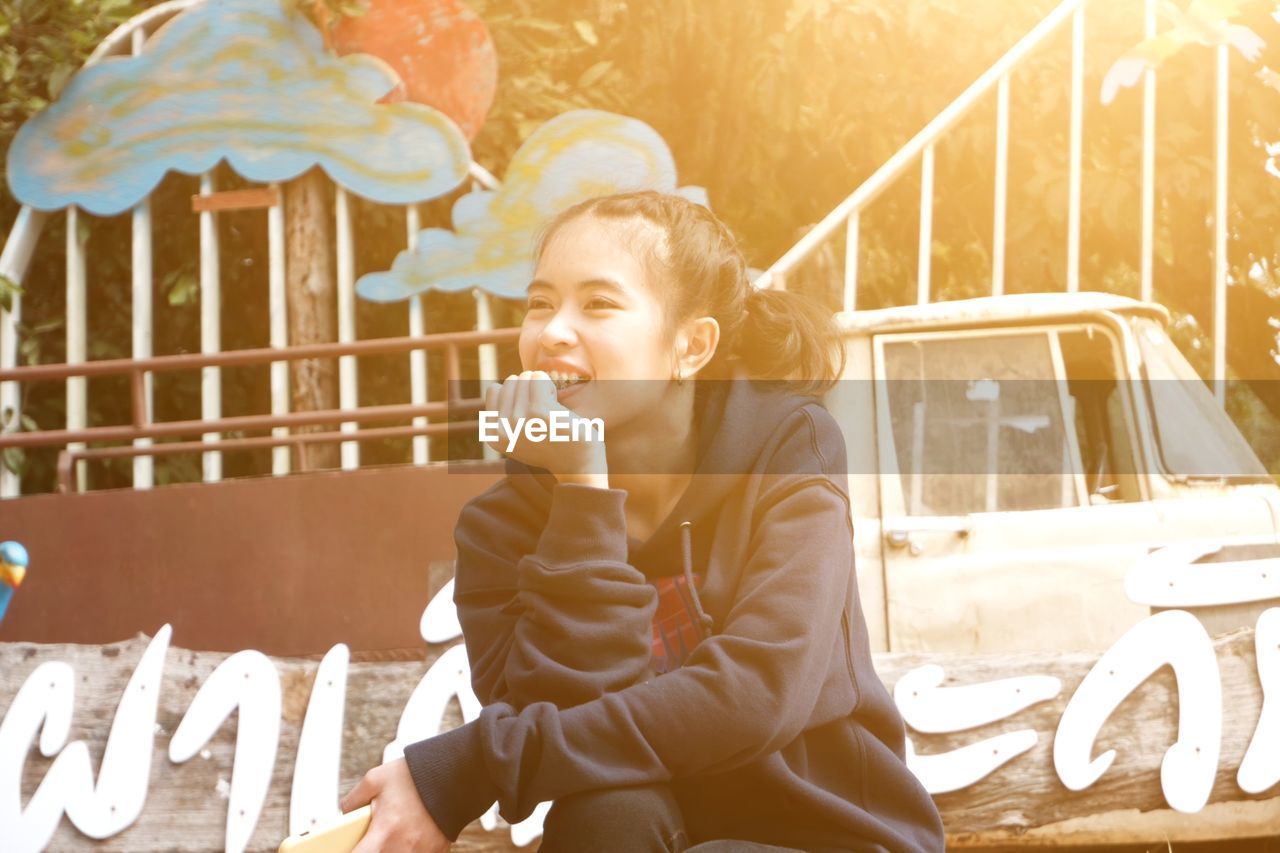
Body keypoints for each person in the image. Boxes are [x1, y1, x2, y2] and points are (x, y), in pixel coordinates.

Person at [341, 191, 945, 852]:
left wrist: (468, 769)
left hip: (833, 834)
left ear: (691, 345)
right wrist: (582, 493)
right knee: (602, 813)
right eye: (539, 303)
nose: (553, 331)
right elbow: (564, 722)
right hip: (653, 832)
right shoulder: (500, 529)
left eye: (598, 303)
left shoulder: (789, 453)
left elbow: (757, 696)